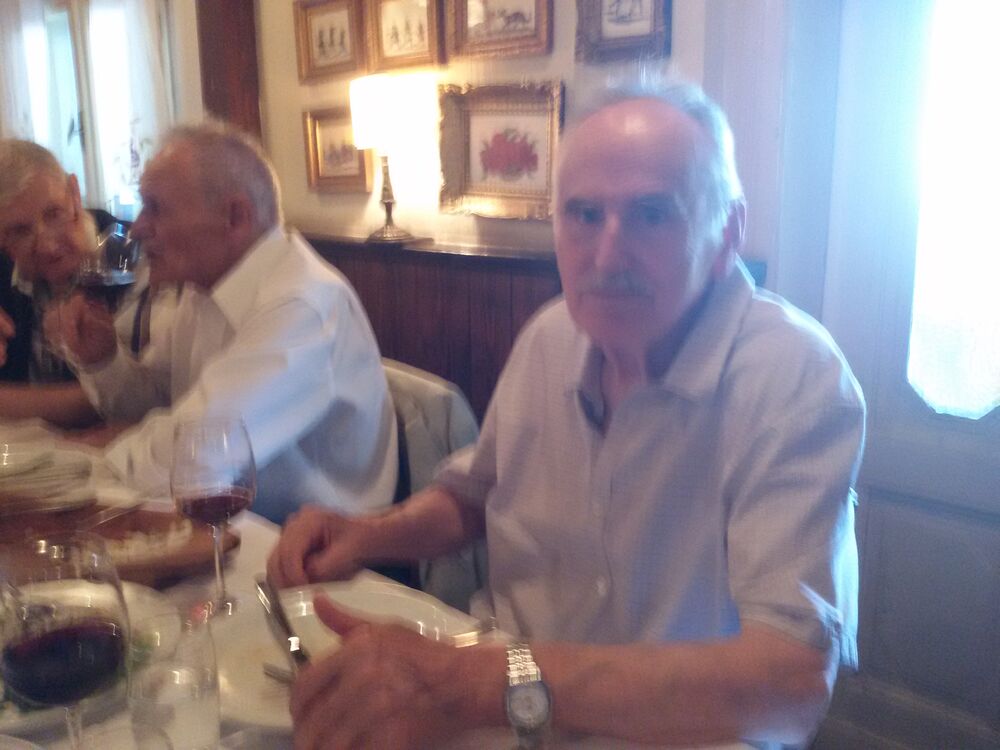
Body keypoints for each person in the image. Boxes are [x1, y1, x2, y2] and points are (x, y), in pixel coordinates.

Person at [268, 80, 866, 750]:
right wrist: (365, 534)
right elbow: (476, 496)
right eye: (582, 214)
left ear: (727, 232)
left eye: (652, 215)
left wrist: (471, 682)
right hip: (499, 707)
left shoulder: (795, 377)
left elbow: (788, 682)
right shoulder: (551, 335)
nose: (606, 256)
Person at [47, 123, 397, 524]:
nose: (138, 227)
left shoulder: (302, 304)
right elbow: (155, 405)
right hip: (229, 529)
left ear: (235, 217)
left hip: (318, 548)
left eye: (155, 208)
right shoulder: (201, 289)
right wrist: (104, 360)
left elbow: (199, 455)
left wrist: (86, 457)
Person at [0, 138, 158, 427]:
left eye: (53, 214)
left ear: (74, 193)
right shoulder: (5, 273)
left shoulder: (132, 256)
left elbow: (134, 397)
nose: (47, 246)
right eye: (20, 231)